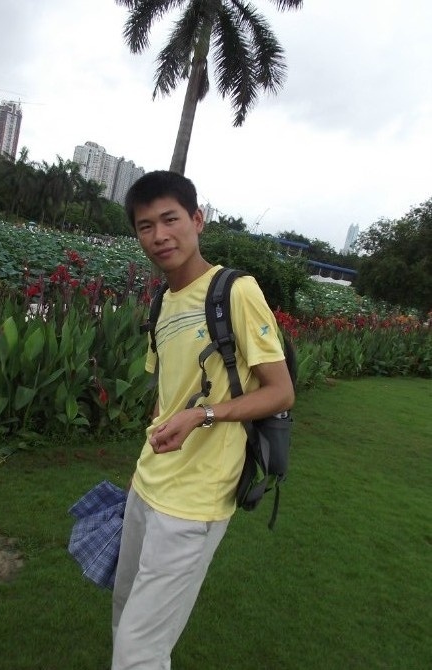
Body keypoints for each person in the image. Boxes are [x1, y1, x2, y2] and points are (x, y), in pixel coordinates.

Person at [111, 171, 294, 670]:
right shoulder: (161, 301)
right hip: (147, 487)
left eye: (170, 219)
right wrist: (140, 469)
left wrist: (204, 414)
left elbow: (280, 391)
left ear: (197, 220)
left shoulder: (234, 291)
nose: (159, 235)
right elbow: (165, 400)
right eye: (145, 226)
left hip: (195, 501)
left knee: (139, 652)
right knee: (124, 617)